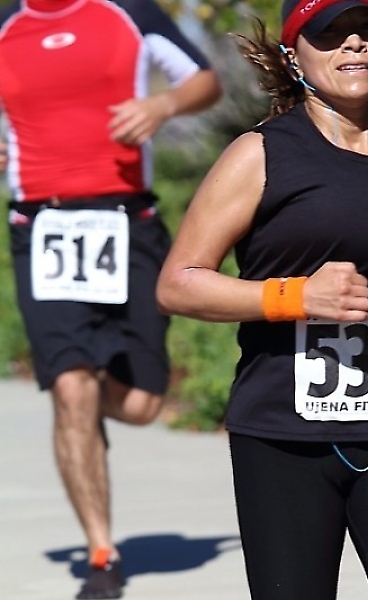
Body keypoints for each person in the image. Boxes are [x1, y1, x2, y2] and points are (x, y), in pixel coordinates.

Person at [156, 0, 368, 598]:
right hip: (285, 435)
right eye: (330, 34)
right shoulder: (259, 154)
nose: (353, 44)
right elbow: (178, 281)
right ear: (294, 56)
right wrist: (295, 296)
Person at [0, 0, 221, 598]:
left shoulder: (129, 11)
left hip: (129, 224)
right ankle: (101, 552)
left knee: (144, 404)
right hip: (41, 228)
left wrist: (162, 106)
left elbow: (205, 80)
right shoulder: (6, 24)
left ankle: (81, 402)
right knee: (71, 386)